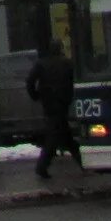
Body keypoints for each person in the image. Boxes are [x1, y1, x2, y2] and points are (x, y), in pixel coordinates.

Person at [27, 38, 79, 178]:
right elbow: (74, 80)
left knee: (61, 133)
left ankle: (81, 163)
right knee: (56, 135)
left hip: (49, 103)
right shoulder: (67, 63)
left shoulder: (41, 64)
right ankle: (42, 166)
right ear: (60, 49)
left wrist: (36, 95)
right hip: (63, 103)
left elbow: (30, 81)